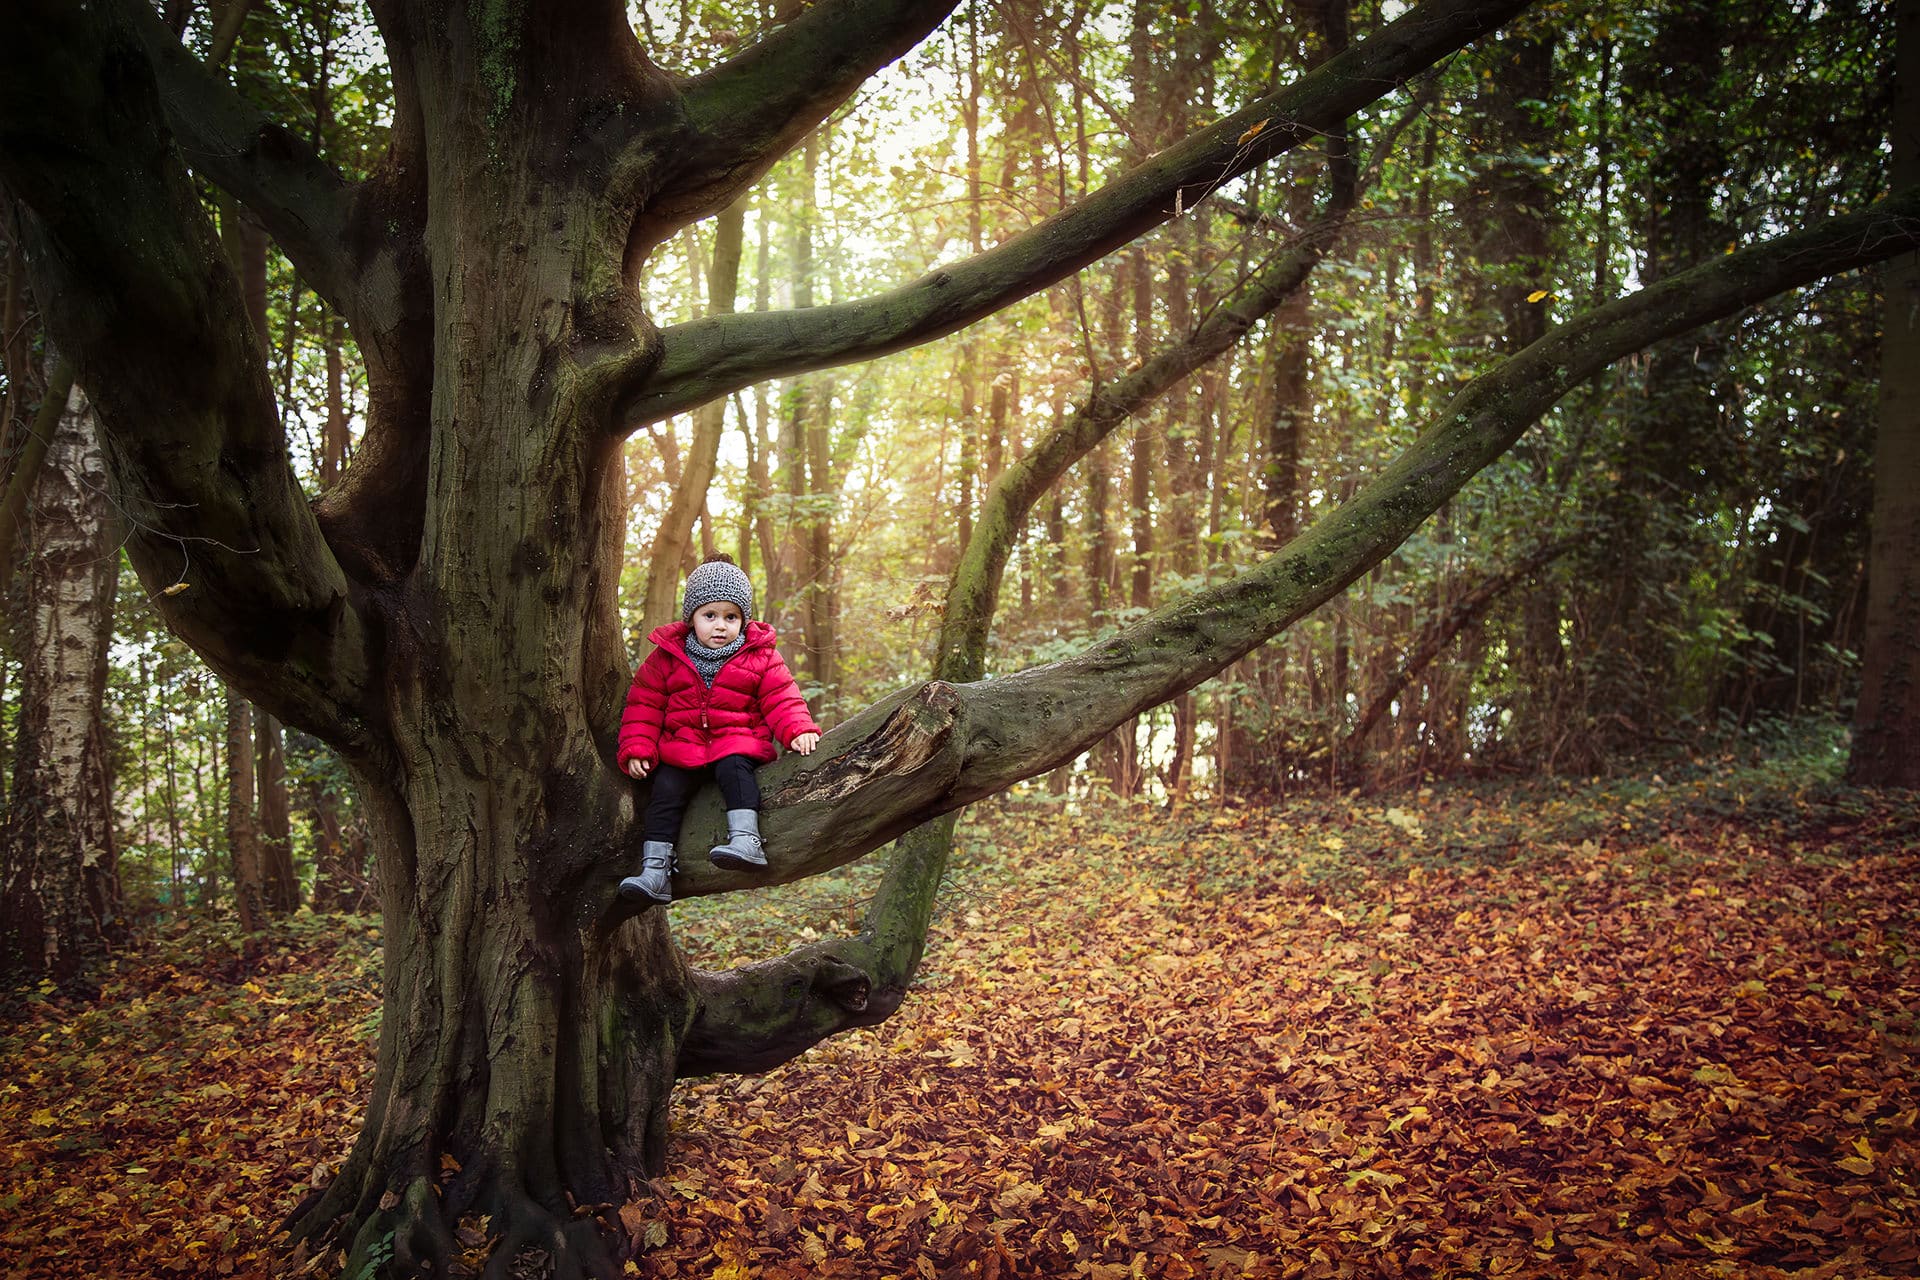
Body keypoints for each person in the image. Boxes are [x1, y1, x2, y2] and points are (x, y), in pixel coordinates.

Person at [615, 555, 821, 905]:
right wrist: (638, 748)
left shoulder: (760, 656)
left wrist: (798, 729)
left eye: (731, 617)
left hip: (737, 740)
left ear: (743, 619)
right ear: (692, 617)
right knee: (665, 789)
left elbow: (782, 697)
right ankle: (656, 870)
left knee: (735, 769)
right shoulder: (667, 658)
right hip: (684, 746)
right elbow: (643, 706)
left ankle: (746, 840)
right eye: (710, 616)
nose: (720, 626)